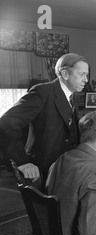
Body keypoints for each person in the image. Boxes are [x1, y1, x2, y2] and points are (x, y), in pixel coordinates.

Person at [0, 53, 88, 183]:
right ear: (65, 74)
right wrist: (22, 162)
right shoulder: (43, 91)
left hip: (66, 168)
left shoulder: (71, 95)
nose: (86, 80)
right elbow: (6, 123)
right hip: (44, 170)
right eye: (82, 74)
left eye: (86, 75)